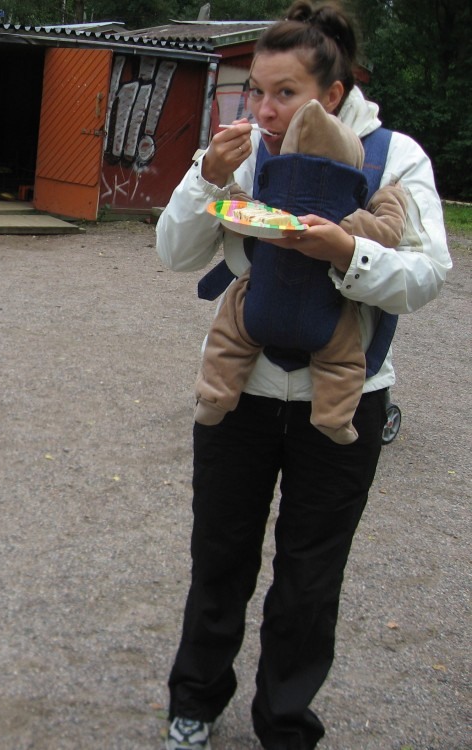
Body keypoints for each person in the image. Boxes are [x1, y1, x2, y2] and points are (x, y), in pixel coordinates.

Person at [154, 1, 452, 748]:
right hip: (241, 394)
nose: (263, 109)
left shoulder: (394, 157)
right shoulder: (242, 153)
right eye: (255, 90)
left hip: (344, 402)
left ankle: (285, 723)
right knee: (219, 556)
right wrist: (205, 179)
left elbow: (426, 276)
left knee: (310, 576)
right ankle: (195, 700)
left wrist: (348, 254)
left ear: (333, 91)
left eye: (284, 93)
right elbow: (175, 254)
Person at [196, 99, 407, 445]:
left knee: (230, 335)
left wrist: (227, 188)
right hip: (325, 314)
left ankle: (214, 396)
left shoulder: (271, 209)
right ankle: (334, 418)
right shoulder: (349, 221)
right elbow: (388, 230)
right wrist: (391, 198)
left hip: (260, 305)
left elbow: (237, 213)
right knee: (342, 360)